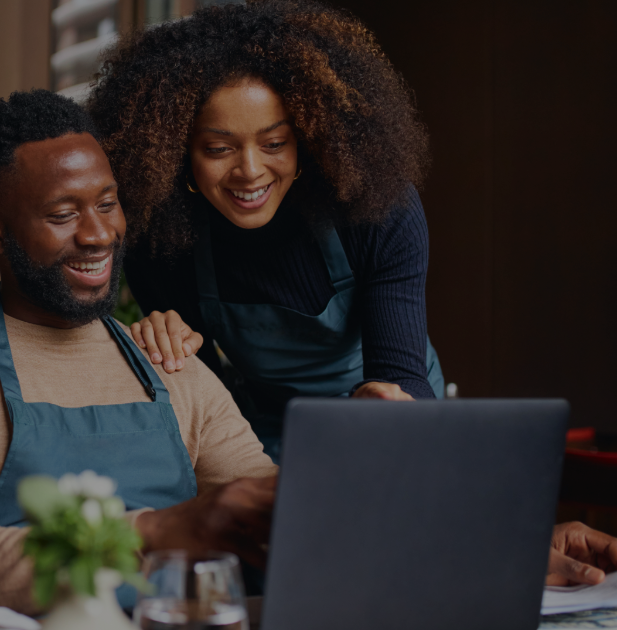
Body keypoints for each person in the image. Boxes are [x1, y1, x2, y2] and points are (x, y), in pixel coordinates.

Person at [0, 90, 617, 615]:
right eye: (63, 215)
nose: (99, 235)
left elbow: (298, 516)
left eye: (107, 203)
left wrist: (499, 546)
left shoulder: (167, 361)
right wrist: (164, 530)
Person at [86, 1, 442, 459]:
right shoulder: (161, 241)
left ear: (308, 139)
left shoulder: (376, 210)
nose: (250, 171)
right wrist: (166, 347)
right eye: (218, 148)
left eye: (274, 143)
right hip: (268, 429)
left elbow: (402, 373)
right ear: (177, 155)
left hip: (391, 418)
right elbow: (205, 403)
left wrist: (390, 403)